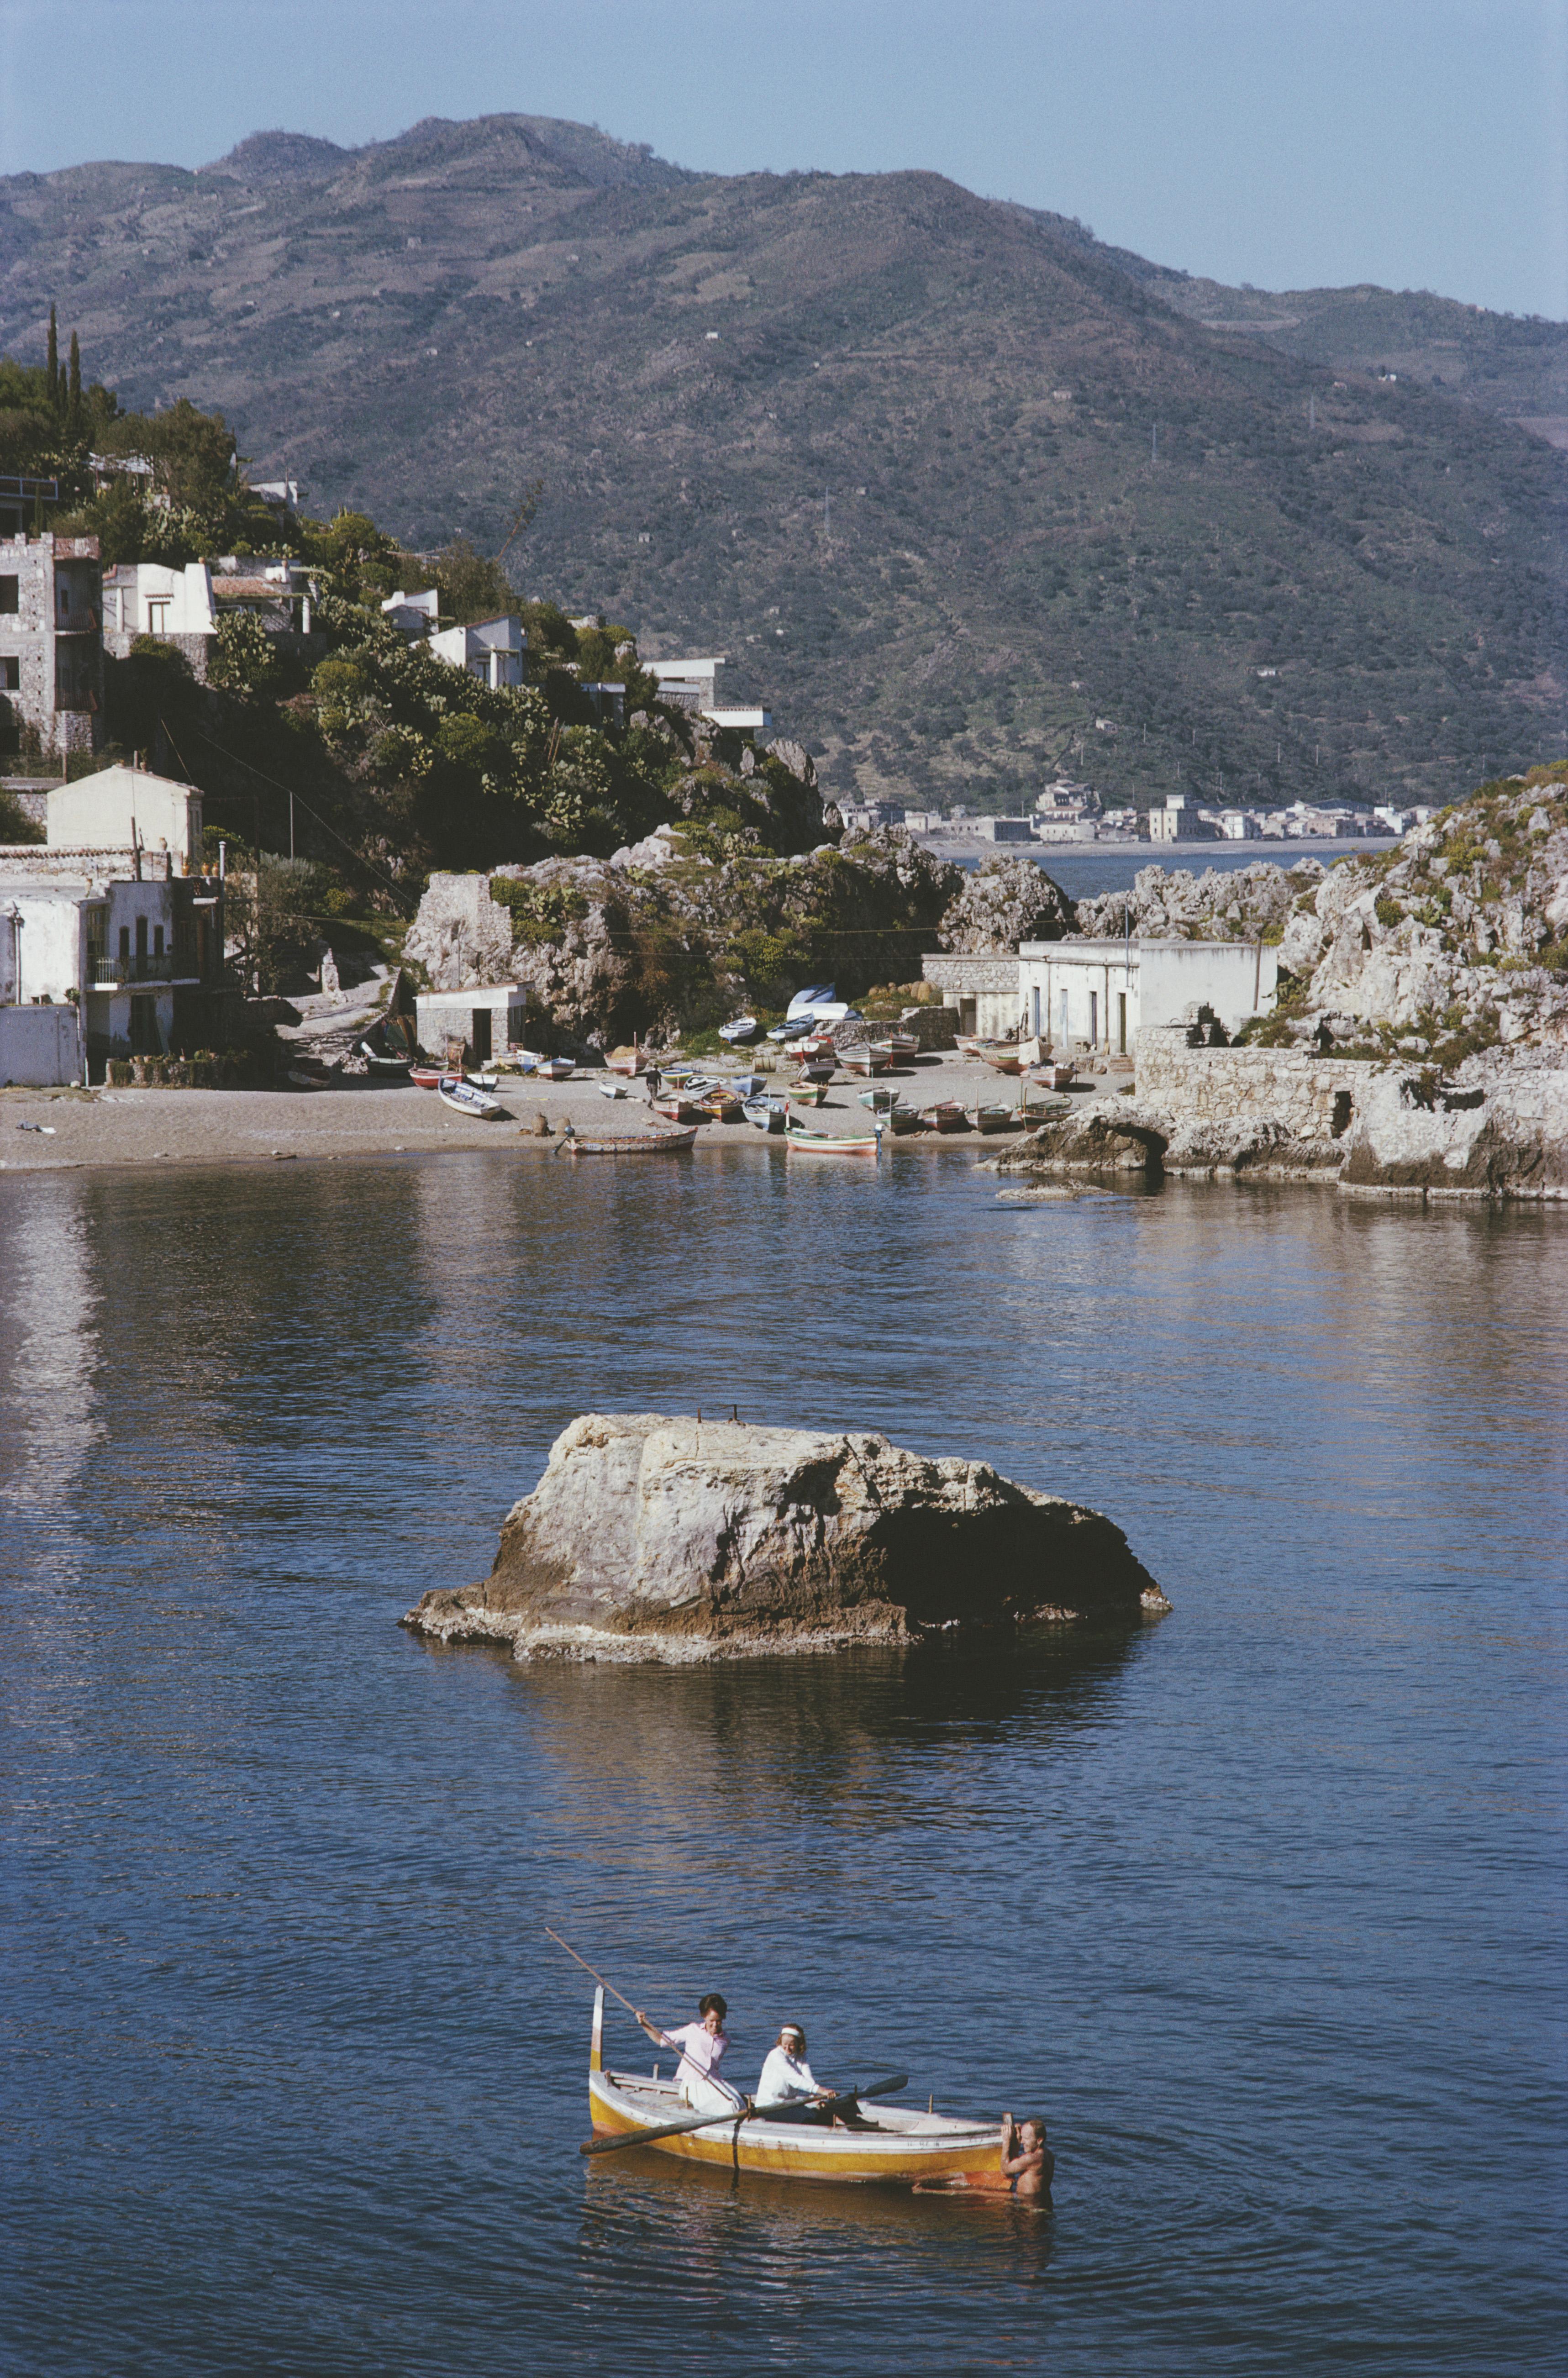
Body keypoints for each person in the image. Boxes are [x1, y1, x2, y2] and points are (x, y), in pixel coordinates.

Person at [636, 1992, 742, 2118]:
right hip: (693, 2083)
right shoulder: (693, 2030)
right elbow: (661, 2040)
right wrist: (644, 2023)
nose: (715, 2025)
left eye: (719, 2021)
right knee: (730, 2108)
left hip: (714, 2080)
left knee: (740, 2103)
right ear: (704, 2017)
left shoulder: (726, 2039)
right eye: (712, 2021)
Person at [756, 2024, 831, 2108]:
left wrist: (815, 2097)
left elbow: (809, 2079)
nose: (787, 2048)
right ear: (781, 2042)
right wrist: (822, 2091)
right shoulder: (776, 2055)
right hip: (769, 2105)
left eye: (791, 2045)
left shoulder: (801, 2056)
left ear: (799, 2044)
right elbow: (795, 2079)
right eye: (785, 2044)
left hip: (788, 2104)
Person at [999, 2113, 1054, 2203]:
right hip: (1039, 2201)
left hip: (1028, 2207)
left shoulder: (1032, 2158)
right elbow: (1016, 2165)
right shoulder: (1049, 2155)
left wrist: (1006, 2141)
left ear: (1039, 2140)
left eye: (1026, 2139)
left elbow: (1005, 2170)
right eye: (1022, 2138)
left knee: (976, 2193)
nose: (1022, 2142)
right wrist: (1016, 2143)